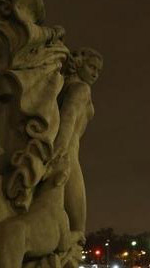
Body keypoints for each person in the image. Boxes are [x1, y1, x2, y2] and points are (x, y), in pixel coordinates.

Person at [54, 48, 103, 248]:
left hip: (66, 151)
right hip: (68, 154)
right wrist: (60, 154)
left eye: (98, 71)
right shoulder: (81, 89)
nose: (95, 74)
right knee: (78, 229)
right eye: (92, 67)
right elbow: (68, 119)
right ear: (79, 64)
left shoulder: (63, 87)